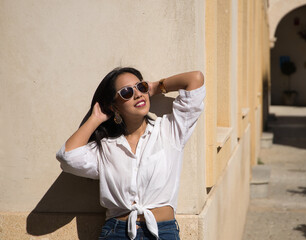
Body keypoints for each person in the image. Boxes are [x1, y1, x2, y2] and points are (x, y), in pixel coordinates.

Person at [56, 67, 205, 240]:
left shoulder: (169, 130)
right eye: (126, 92)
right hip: (117, 233)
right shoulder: (106, 148)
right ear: (114, 106)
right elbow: (67, 157)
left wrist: (155, 87)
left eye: (140, 87)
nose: (137, 94)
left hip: (162, 232)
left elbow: (195, 79)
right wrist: (95, 118)